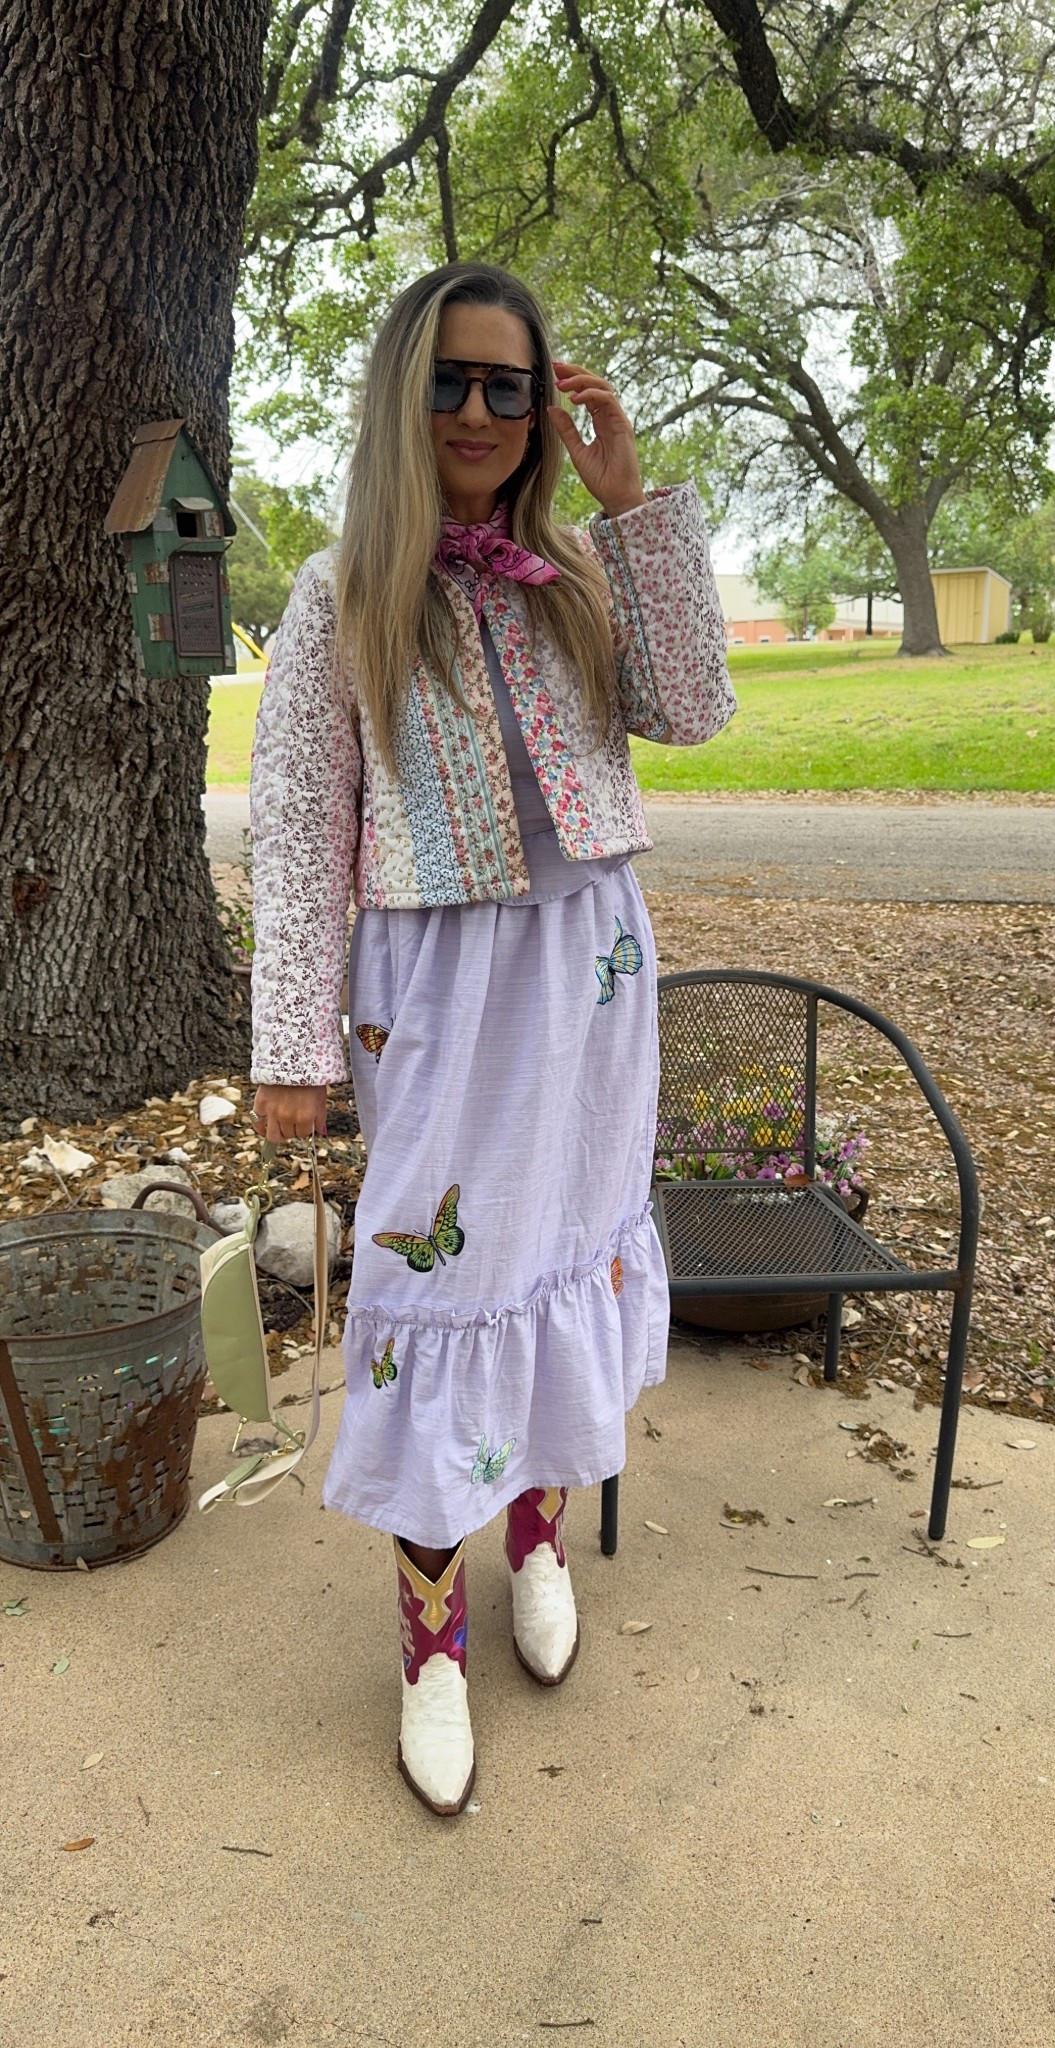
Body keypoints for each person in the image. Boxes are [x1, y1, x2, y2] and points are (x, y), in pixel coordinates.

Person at [249, 260, 735, 1815]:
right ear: (407, 395)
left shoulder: (581, 568)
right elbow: (296, 834)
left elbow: (698, 706)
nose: (477, 410)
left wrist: (630, 502)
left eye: (507, 385)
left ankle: (536, 1528)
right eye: (451, 381)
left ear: (542, 406)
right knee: (436, 1272)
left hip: (589, 973)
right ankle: (431, 1631)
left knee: (558, 1249)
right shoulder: (342, 590)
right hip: (438, 987)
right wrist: (293, 1047)